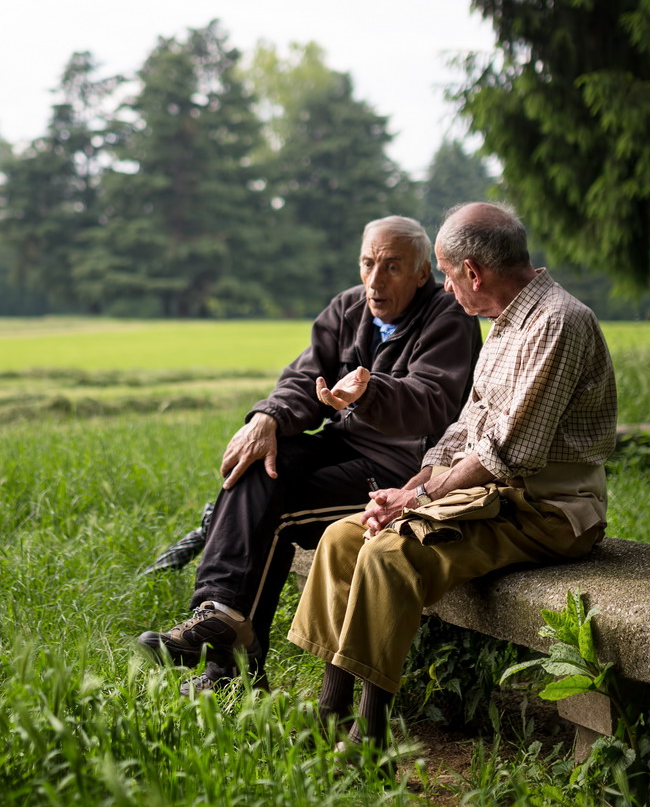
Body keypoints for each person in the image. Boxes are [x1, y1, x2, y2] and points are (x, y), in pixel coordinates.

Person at [287, 202, 617, 753]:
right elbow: (465, 429)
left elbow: (509, 454)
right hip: (499, 497)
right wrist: (410, 490)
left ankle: (368, 738)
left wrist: (418, 500)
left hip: (551, 512)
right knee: (346, 537)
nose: (444, 284)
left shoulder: (557, 322)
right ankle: (330, 711)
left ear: (473, 272)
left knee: (391, 553)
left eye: (444, 271)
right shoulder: (507, 323)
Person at [137, 215, 483, 691]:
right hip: (344, 445)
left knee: (274, 512)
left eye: (392, 267)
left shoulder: (448, 316)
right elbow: (304, 377)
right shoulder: (347, 308)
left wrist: (366, 391)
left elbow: (430, 403)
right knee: (258, 463)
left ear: (423, 273)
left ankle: (231, 675)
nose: (375, 280)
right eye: (367, 263)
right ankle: (217, 611)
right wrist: (268, 419)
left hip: (401, 470)